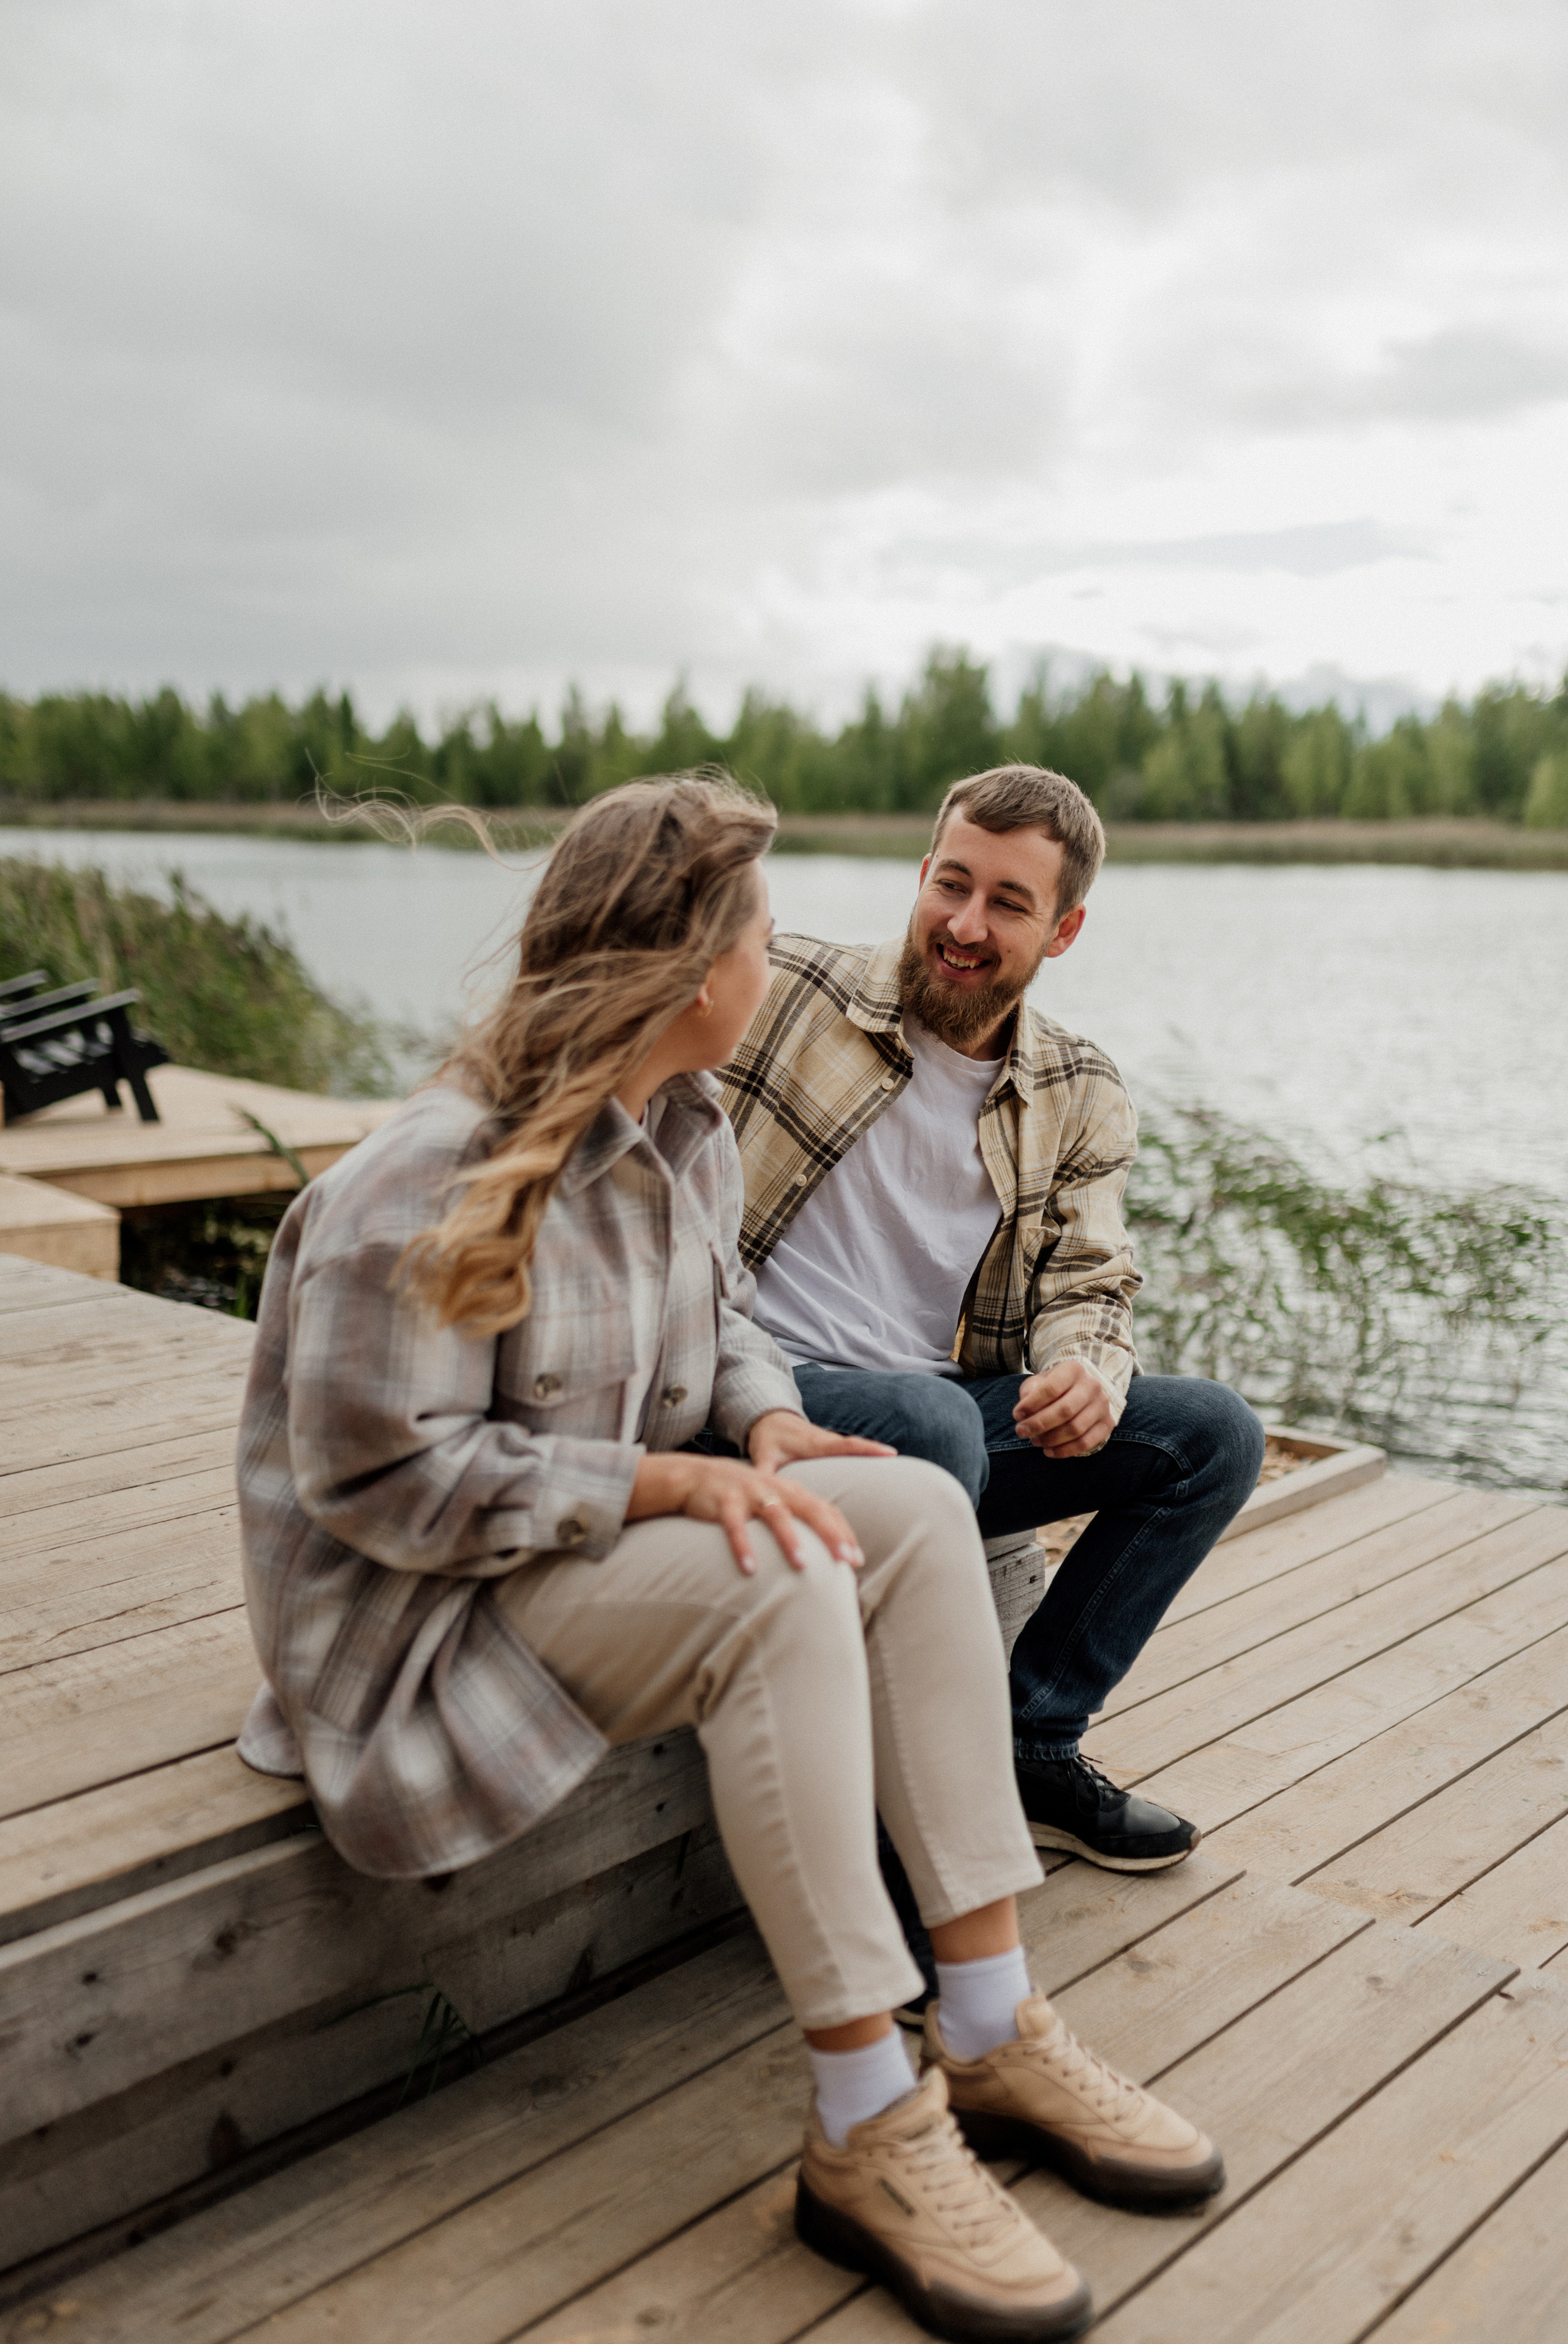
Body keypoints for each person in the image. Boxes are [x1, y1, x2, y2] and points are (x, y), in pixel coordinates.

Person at [234, 775, 1221, 2344]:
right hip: (420, 1625)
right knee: (785, 1578)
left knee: (893, 1503)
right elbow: (376, 1482)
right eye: (760, 931)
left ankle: (986, 2016)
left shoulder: (679, 1126)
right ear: (702, 976)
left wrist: (759, 1428)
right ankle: (860, 2118)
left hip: (570, 1556)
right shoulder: (416, 1179)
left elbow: (728, 1324)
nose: (787, 959)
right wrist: (663, 1485)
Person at [720, 763, 1266, 1925]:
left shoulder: (1080, 1088)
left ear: (1063, 929)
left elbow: (1093, 1279)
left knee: (1212, 1434)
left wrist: (1088, 1372)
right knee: (923, 1423)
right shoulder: (782, 986)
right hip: (755, 1394)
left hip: (947, 1426)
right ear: (921, 875)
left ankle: (1032, 1740)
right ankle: (894, 1822)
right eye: (952, 884)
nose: (966, 925)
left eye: (1009, 903)